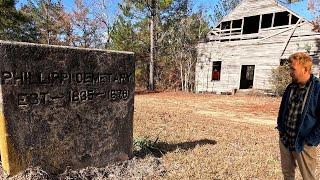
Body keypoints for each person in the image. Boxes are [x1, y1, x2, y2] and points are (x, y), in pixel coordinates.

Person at [277, 52, 320, 180]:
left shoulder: (317, 89)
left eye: (293, 69)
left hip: (303, 143)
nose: (290, 72)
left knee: (308, 177)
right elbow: (283, 110)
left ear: (305, 69)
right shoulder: (290, 87)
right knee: (287, 174)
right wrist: (281, 130)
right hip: (285, 140)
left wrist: (311, 140)